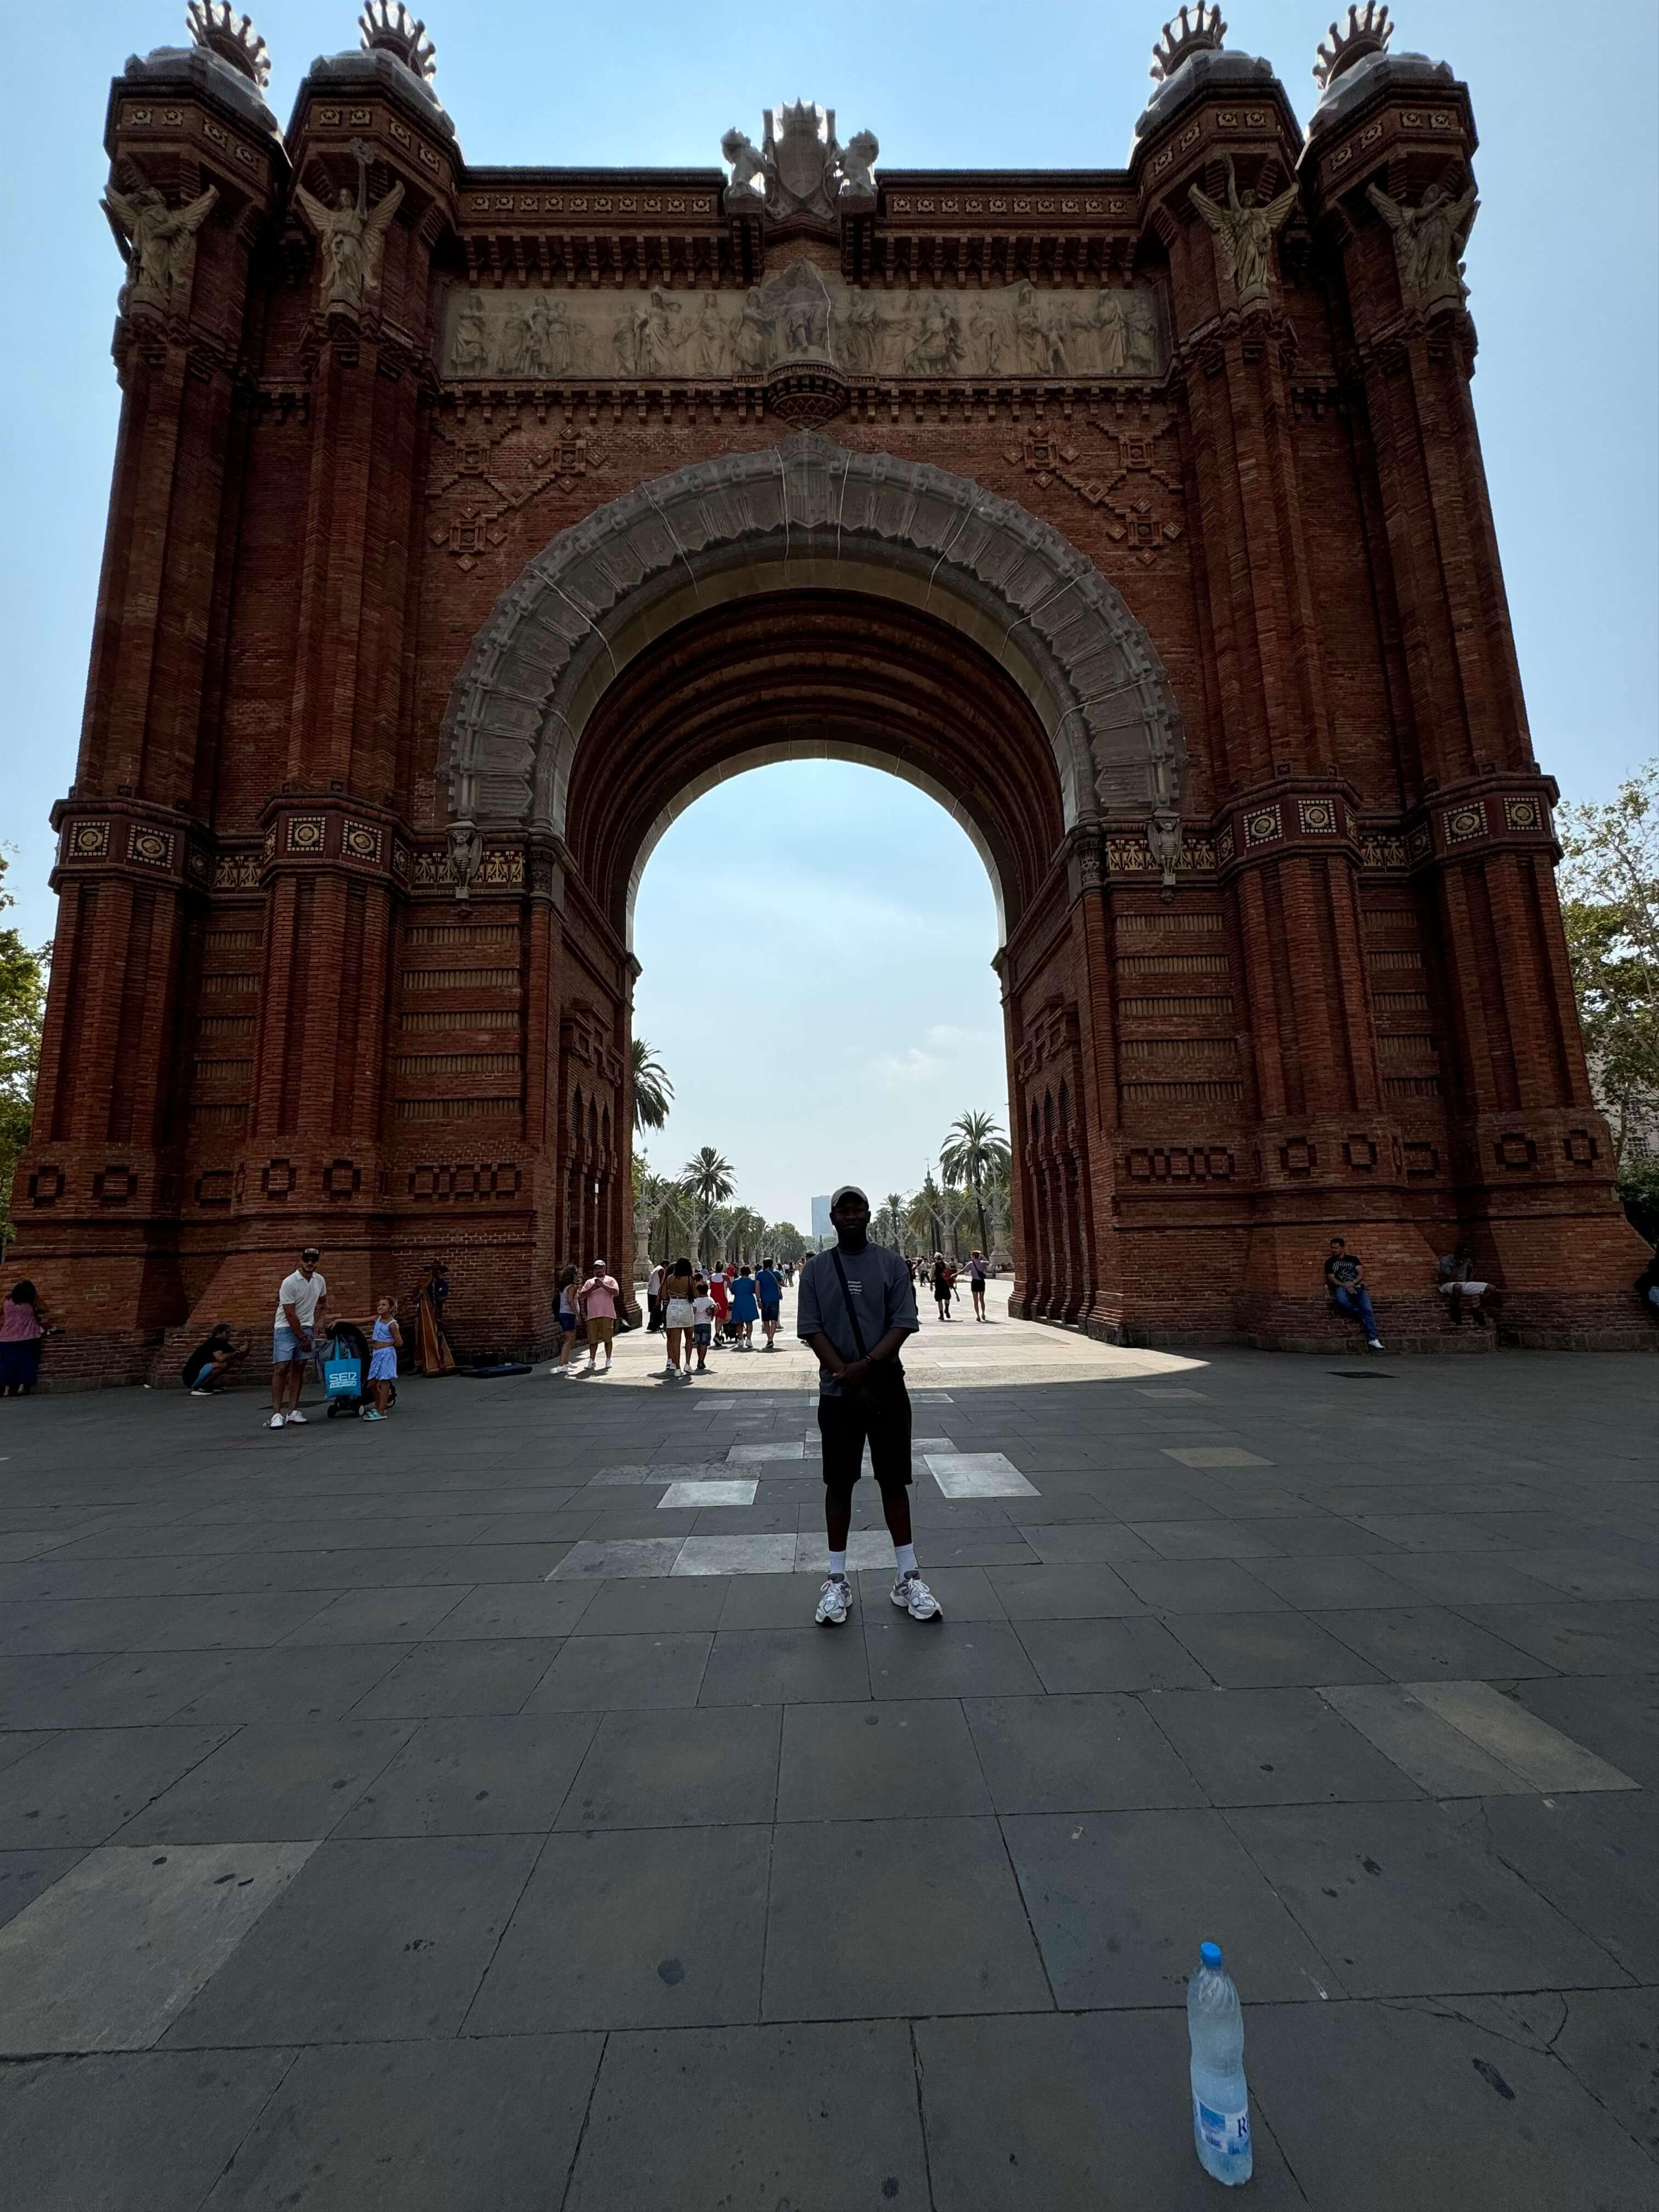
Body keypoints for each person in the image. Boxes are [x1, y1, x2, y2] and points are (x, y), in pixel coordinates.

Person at [798, 1184, 942, 1626]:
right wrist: (845, 1371)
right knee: (838, 1485)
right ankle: (837, 1579)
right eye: (843, 1210)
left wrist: (865, 1367)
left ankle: (907, 1576)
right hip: (838, 1391)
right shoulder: (816, 1269)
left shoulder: (892, 1263)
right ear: (834, 1219)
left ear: (869, 1215)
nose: (851, 1215)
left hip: (884, 1387)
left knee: (894, 1481)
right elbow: (811, 1327)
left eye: (858, 1208)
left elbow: (904, 1323)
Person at [270, 1248, 327, 1429]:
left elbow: (324, 1303)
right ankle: (277, 1413)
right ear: (301, 1261)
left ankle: (293, 1411)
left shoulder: (320, 1281)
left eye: (313, 1260)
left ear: (317, 1262)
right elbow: (289, 1314)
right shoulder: (290, 1282)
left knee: (299, 1368)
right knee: (281, 1367)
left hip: (307, 1327)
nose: (310, 1263)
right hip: (286, 1328)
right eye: (307, 1260)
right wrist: (302, 1338)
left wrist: (319, 1321)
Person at [1324, 1236, 1383, 1350]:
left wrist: (1353, 1283)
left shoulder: (1353, 1259)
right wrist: (1345, 1285)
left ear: (1343, 1248)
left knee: (1368, 1310)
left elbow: (1361, 1273)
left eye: (1336, 1248)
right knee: (1342, 1300)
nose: (1334, 1250)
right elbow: (1331, 1278)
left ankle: (1373, 1339)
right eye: (1332, 1248)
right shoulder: (1330, 1262)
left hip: (1358, 1287)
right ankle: (1359, 1314)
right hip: (1341, 1288)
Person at [0, 1281, 49, 1397]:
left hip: (7, 1338)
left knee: (8, 1364)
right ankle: (22, 1388)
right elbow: (45, 1309)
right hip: (27, 1337)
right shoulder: (30, 1302)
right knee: (26, 1362)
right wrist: (36, 1298)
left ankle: (7, 1390)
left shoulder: (7, 1301)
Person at [181, 1322, 248, 1396]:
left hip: (201, 1372)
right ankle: (201, 1387)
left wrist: (246, 1350)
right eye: (227, 1332)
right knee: (222, 1364)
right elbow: (220, 1359)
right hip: (192, 1376)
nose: (230, 1335)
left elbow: (239, 1357)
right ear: (219, 1333)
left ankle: (208, 1384)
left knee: (231, 1361)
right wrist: (238, 1351)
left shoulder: (224, 1344)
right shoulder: (214, 1343)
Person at [363, 1297, 402, 1418]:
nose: (380, 1307)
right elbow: (360, 1321)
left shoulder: (392, 1325)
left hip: (386, 1354)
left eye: (384, 1305)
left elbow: (399, 1342)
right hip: (376, 1354)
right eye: (379, 1305)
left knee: (384, 1381)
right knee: (372, 1383)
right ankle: (379, 1405)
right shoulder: (378, 1319)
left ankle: (381, 1410)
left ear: (391, 1308)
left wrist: (388, 1344)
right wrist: (339, 1321)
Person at [1437, 1242, 1492, 1328]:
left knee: (1491, 1288)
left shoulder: (1466, 1260)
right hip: (1448, 1284)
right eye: (1462, 1255)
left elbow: (1471, 1272)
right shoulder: (1445, 1261)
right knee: (1457, 1287)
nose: (1464, 1257)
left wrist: (1471, 1271)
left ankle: (1479, 1310)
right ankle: (1456, 1310)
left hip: (1464, 1283)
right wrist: (1457, 1267)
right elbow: (1449, 1278)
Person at [579, 1259, 620, 1373]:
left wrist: (603, 1285)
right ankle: (592, 1360)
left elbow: (616, 1292)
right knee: (593, 1340)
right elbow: (582, 1296)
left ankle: (608, 1359)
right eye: (596, 1269)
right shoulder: (589, 1282)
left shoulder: (610, 1280)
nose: (598, 1271)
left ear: (604, 1269)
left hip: (607, 1314)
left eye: (600, 1269)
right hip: (592, 1315)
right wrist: (592, 1288)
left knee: (607, 1338)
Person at [661, 1255, 696, 1376]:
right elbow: (696, 1294)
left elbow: (664, 1295)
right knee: (688, 1339)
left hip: (673, 1308)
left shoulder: (670, 1279)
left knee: (675, 1340)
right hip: (685, 1307)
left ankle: (677, 1368)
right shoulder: (690, 1279)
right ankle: (688, 1363)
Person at [550, 1265, 583, 1375]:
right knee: (569, 1339)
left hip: (566, 1314)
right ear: (572, 1276)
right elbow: (571, 1301)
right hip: (568, 1315)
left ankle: (566, 1361)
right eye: (576, 1274)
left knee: (571, 1338)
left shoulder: (565, 1287)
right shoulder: (572, 1287)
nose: (578, 1276)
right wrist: (577, 1314)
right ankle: (561, 1364)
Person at [729, 1263, 760, 1349]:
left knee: (739, 1322)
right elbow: (756, 1291)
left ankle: (740, 1340)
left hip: (738, 1301)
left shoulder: (736, 1282)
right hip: (749, 1301)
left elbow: (732, 1291)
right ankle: (749, 1340)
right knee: (749, 1322)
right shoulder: (752, 1282)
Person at [756, 1256, 784, 1351]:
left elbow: (757, 1288)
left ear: (763, 1264)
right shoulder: (776, 1273)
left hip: (765, 1299)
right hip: (775, 1299)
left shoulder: (759, 1274)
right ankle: (772, 1338)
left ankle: (769, 1338)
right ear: (772, 1264)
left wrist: (758, 1300)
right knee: (774, 1320)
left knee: (766, 1320)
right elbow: (783, 1283)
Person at [691, 1276, 718, 1372]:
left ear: (698, 1292)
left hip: (697, 1324)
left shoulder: (695, 1302)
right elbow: (716, 1309)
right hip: (707, 1324)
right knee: (705, 1343)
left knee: (699, 1343)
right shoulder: (710, 1300)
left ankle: (699, 1359)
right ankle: (702, 1360)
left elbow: (693, 1313)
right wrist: (712, 1315)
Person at [708, 1264, 731, 1346]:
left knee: (714, 1318)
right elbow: (731, 1288)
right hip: (722, 1300)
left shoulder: (711, 1277)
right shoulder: (725, 1277)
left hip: (713, 1300)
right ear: (723, 1268)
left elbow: (710, 1287)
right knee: (720, 1318)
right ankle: (717, 1335)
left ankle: (715, 1334)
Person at [931, 1252, 955, 1322]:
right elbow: (950, 1275)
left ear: (935, 1258)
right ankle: (947, 1310)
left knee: (940, 1300)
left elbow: (932, 1275)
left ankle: (941, 1314)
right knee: (947, 1297)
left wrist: (931, 1285)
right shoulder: (947, 1265)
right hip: (946, 1283)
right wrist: (952, 1283)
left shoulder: (934, 1265)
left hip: (938, 1284)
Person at [967, 1249, 989, 1322]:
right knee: (982, 1299)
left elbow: (964, 1270)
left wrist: (955, 1274)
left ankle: (978, 1316)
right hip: (981, 1282)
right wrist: (982, 1257)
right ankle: (983, 1314)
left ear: (973, 1256)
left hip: (975, 1282)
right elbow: (988, 1262)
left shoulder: (971, 1264)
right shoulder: (983, 1262)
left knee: (976, 1300)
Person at [646, 1259, 666, 1334]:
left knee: (654, 1309)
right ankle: (654, 1325)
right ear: (665, 1265)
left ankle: (654, 1324)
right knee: (656, 1309)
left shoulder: (656, 1269)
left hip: (652, 1291)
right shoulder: (661, 1270)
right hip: (656, 1292)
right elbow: (662, 1282)